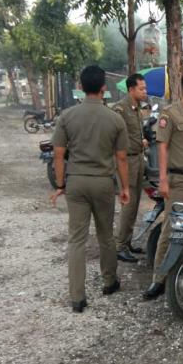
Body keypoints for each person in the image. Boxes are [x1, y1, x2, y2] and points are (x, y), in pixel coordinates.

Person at [50, 65, 129, 313]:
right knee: (106, 235)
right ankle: (109, 282)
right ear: (104, 88)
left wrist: (61, 185)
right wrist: (125, 187)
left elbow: (59, 155)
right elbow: (122, 158)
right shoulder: (115, 119)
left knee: (77, 240)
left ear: (80, 87)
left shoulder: (67, 116)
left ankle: (77, 297)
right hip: (103, 183)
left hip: (76, 183)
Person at [143, 73, 183, 300]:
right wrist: (163, 180)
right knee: (170, 230)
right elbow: (162, 147)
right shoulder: (169, 115)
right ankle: (158, 279)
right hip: (178, 182)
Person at [112, 73, 149, 263]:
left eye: (145, 88)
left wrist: (141, 142)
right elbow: (116, 138)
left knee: (134, 205)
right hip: (126, 162)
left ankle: (127, 243)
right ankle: (120, 247)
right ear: (131, 89)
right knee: (128, 205)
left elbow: (133, 133)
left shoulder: (135, 108)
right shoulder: (120, 109)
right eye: (141, 88)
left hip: (138, 159)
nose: (145, 91)